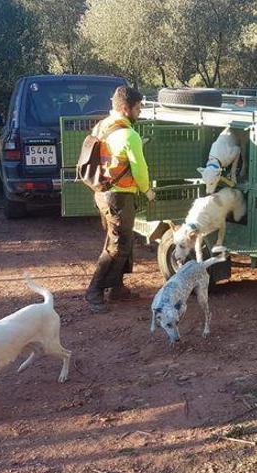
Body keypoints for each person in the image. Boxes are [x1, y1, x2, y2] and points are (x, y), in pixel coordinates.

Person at [84, 85, 156, 312]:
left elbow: (112, 156)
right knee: (117, 246)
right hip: (118, 197)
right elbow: (140, 169)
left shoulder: (103, 125)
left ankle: (117, 288)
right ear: (126, 108)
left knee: (122, 241)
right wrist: (148, 191)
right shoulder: (129, 134)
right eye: (138, 107)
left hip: (103, 192)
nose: (140, 111)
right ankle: (94, 291)